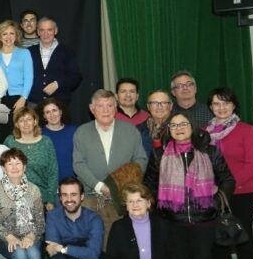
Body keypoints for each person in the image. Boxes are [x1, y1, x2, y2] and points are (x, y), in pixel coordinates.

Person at [143, 112, 235, 259]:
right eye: (174, 125)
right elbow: (148, 184)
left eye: (183, 124)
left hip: (203, 220)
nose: (179, 128)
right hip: (172, 221)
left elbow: (228, 179)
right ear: (169, 131)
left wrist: (217, 199)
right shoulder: (159, 155)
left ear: (192, 127)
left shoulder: (209, 152)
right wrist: (159, 205)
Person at [206, 87, 253, 259]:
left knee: (243, 241)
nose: (221, 107)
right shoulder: (204, 132)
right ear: (210, 107)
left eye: (226, 103)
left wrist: (226, 188)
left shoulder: (246, 131)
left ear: (234, 105)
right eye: (217, 103)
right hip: (212, 195)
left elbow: (252, 165)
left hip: (241, 194)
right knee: (218, 242)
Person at [72, 89, 148, 244]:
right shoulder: (81, 132)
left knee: (119, 243)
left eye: (110, 105)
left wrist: (120, 184)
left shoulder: (130, 131)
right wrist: (99, 186)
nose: (105, 110)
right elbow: (78, 164)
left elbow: (141, 160)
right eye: (100, 106)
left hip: (121, 199)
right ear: (92, 109)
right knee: (91, 243)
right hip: (91, 198)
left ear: (116, 108)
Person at [4, 107, 58, 209]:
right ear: (16, 124)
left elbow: (53, 172)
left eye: (29, 119)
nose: (25, 123)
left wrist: (50, 199)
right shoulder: (10, 142)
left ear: (35, 121)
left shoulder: (46, 142)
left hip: (42, 198)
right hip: (15, 199)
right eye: (21, 120)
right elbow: (3, 170)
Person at [0, 19, 33, 143]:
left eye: (11, 33)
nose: (8, 37)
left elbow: (29, 77)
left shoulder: (24, 53)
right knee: (2, 136)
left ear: (16, 36)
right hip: (0, 99)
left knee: (19, 134)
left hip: (19, 99)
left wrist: (23, 98)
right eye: (4, 34)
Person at [27, 17, 82, 108]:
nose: (46, 34)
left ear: (55, 31)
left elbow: (76, 77)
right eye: (42, 30)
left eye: (49, 30)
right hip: (34, 104)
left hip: (59, 105)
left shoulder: (67, 52)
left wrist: (57, 84)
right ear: (38, 32)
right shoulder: (29, 52)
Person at [39, 97, 77, 180]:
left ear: (60, 112)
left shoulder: (74, 132)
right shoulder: (39, 134)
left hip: (72, 183)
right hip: (49, 184)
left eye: (54, 110)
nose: (52, 115)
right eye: (48, 112)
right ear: (44, 116)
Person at [143, 89, 173, 155]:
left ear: (170, 106)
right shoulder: (140, 130)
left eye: (164, 103)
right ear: (148, 106)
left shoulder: (179, 127)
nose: (159, 107)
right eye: (154, 103)